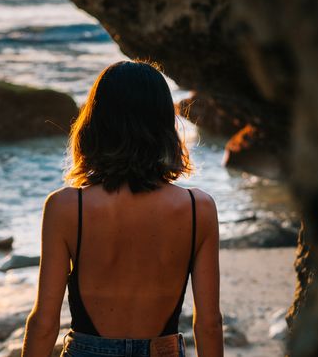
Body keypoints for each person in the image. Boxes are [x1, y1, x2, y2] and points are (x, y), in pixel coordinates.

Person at [22, 60, 223, 357]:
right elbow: (209, 324)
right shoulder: (198, 208)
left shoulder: (65, 207)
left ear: (95, 123)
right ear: (164, 124)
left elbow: (44, 323)